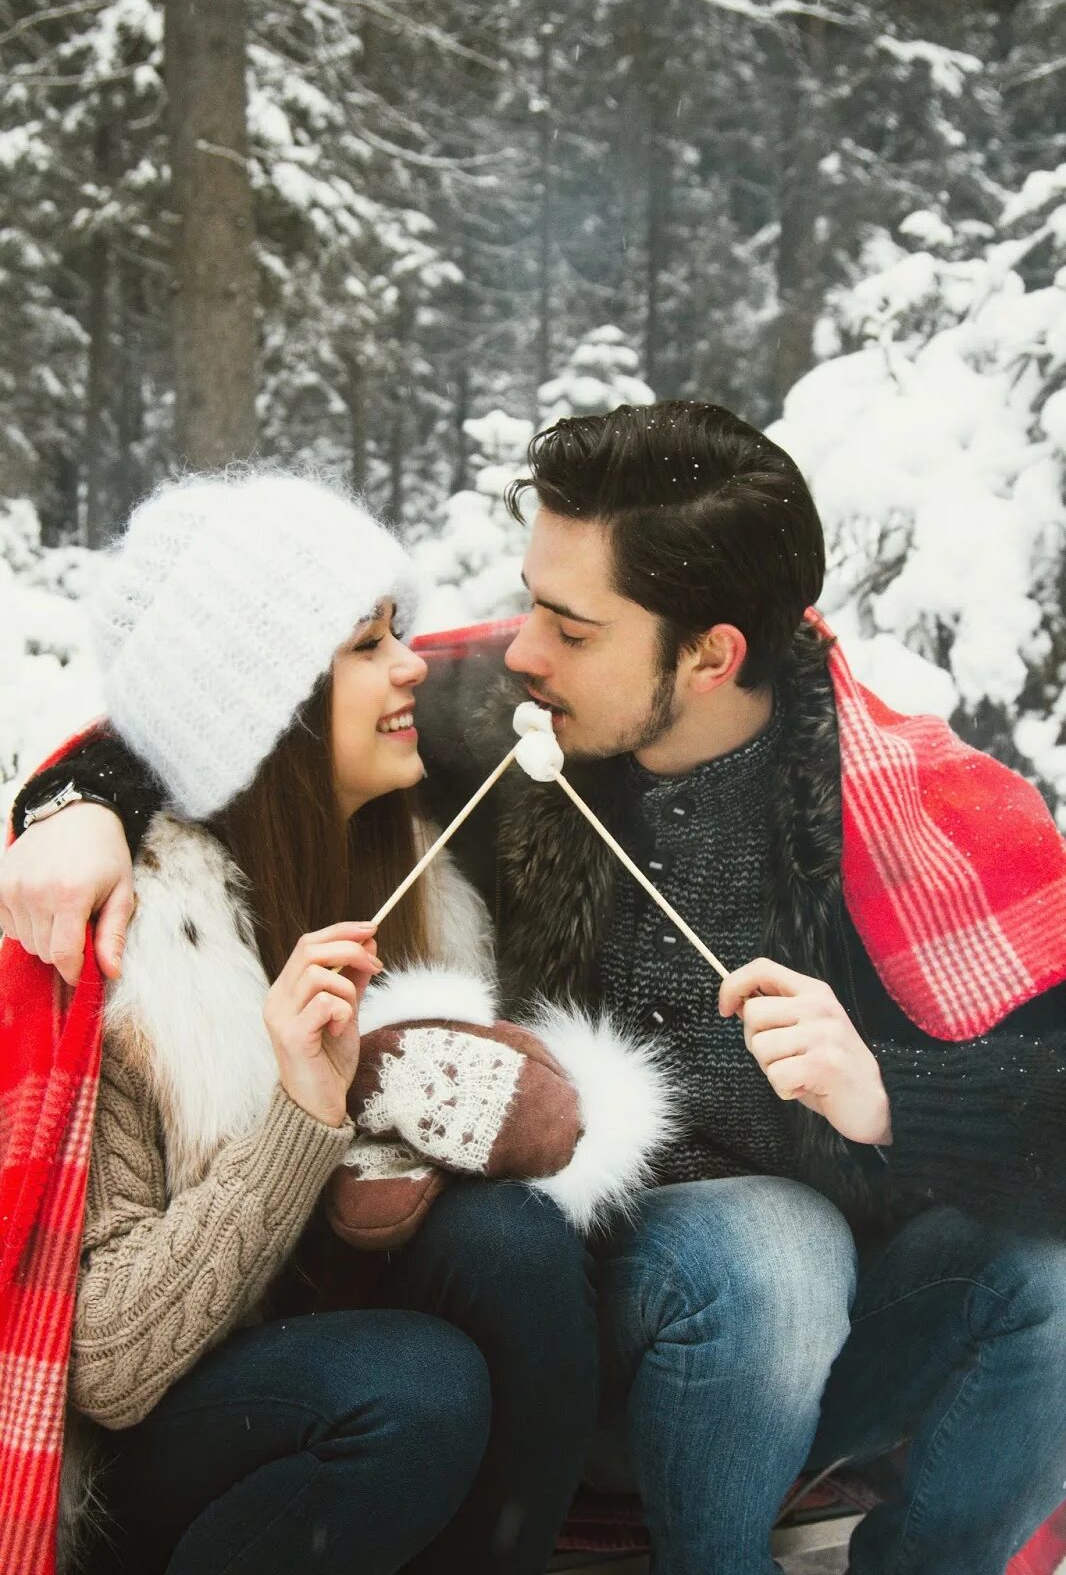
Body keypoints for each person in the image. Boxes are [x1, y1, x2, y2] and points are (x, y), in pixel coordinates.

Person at [4, 406, 1065, 1575]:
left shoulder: (906, 809)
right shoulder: (515, 719)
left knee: (1045, 1282)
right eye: (529, 603)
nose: (515, 649)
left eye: (565, 623)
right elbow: (226, 702)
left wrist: (887, 1095)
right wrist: (78, 800)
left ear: (709, 654)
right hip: (601, 1302)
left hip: (842, 1338)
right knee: (773, 1244)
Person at [0, 470, 669, 1575]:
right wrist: (301, 1114)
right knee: (412, 1387)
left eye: (396, 631)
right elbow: (110, 1362)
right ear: (269, 705)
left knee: (510, 1239)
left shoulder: (428, 884)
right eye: (366, 646)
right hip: (178, 1443)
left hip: (358, 1354)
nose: (414, 662)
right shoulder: (134, 949)